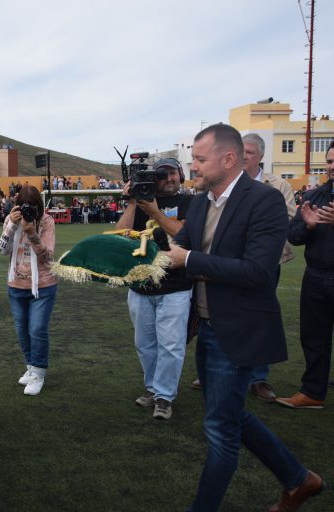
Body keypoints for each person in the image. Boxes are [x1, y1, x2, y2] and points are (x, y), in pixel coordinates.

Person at [165, 124, 324, 512]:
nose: (193, 166)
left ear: (229, 159)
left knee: (220, 427)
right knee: (229, 414)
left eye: (200, 159)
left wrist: (190, 259)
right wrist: (135, 261)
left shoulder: (265, 200)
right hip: (207, 326)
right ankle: (299, 480)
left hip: (238, 330)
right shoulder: (200, 203)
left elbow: (257, 272)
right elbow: (177, 251)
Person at [116, 158, 192, 420]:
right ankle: (152, 388)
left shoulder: (189, 201)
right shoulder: (140, 202)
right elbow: (120, 235)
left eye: (173, 173)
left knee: (171, 345)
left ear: (181, 175)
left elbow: (183, 234)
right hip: (141, 284)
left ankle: (164, 396)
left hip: (176, 285)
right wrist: (132, 202)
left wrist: (156, 213)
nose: (169, 179)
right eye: (162, 175)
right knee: (145, 344)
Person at [277, 140, 334, 410]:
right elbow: (294, 236)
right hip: (316, 277)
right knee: (314, 337)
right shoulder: (315, 196)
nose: (332, 166)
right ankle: (313, 392)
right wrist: (308, 226)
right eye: (330, 161)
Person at [241, 133, 297, 402]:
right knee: (227, 313)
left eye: (249, 152)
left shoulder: (278, 185)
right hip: (229, 261)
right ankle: (225, 369)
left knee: (261, 316)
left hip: (264, 263)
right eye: (240, 151)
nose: (243, 156)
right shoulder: (226, 183)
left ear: (261, 156)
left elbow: (288, 220)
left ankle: (258, 378)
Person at [0, 185, 57, 396]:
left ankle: (39, 373)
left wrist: (32, 233)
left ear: (39, 207)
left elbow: (48, 257)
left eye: (33, 206)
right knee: (22, 330)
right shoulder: (11, 219)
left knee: (37, 329)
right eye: (25, 206)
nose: (29, 210)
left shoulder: (46, 222)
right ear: (18, 206)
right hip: (16, 284)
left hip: (43, 284)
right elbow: (2, 250)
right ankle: (31, 366)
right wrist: (12, 226)